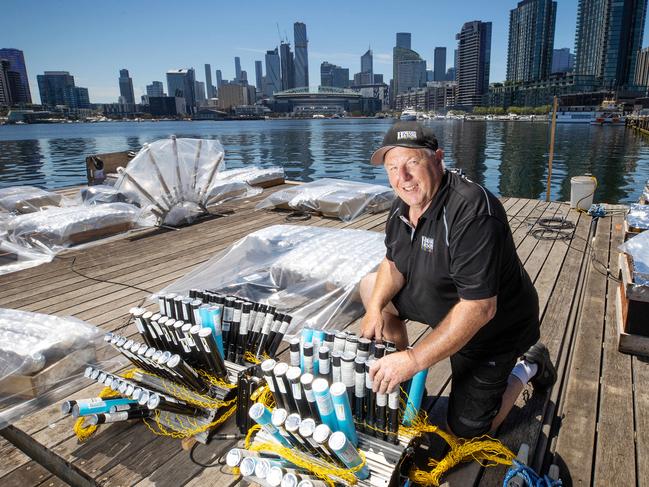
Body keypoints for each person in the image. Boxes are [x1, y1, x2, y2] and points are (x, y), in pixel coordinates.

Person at [360, 121, 557, 438]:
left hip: (493, 327)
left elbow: (479, 309)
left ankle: (530, 364)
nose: (402, 178)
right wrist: (373, 310)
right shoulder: (402, 206)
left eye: (412, 164)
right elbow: (393, 263)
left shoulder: (473, 210)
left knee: (466, 432)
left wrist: (413, 358)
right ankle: (411, 392)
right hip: (446, 301)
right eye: (393, 167)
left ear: (438, 159)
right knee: (372, 289)